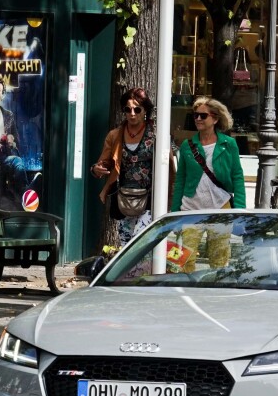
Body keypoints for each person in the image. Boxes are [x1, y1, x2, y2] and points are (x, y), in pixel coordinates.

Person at [171, 97, 247, 272]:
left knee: (219, 259)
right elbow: (180, 179)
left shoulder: (229, 144)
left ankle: (216, 294)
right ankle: (184, 292)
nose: (198, 119)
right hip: (191, 208)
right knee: (183, 259)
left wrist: (240, 209)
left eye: (203, 116)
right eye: (195, 115)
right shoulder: (187, 145)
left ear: (215, 118)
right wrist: (175, 212)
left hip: (220, 207)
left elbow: (237, 176)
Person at [91, 88, 174, 248]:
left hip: (150, 198)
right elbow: (104, 162)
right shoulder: (115, 135)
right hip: (124, 198)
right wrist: (96, 169)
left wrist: (170, 196)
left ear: (145, 110)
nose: (132, 113)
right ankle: (131, 274)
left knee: (140, 243)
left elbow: (168, 166)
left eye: (137, 109)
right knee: (127, 246)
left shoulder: (156, 134)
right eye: (127, 109)